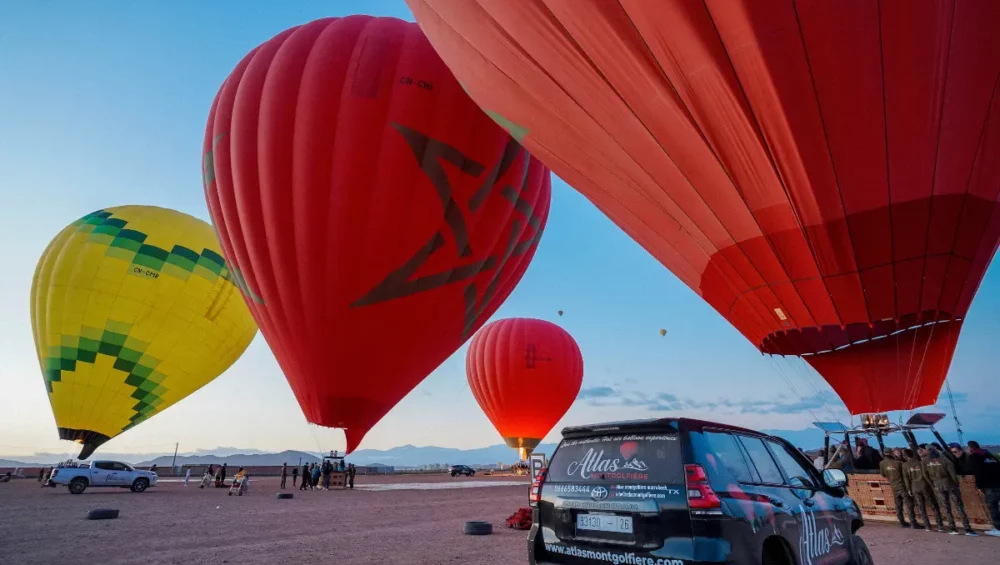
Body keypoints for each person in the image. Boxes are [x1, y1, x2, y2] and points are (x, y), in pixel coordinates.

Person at [922, 445, 975, 535]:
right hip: (950, 484)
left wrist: (933, 484)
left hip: (937, 485)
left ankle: (952, 528)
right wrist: (956, 483)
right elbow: (952, 472)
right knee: (959, 506)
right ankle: (967, 528)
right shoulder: (944, 459)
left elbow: (925, 475)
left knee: (946, 508)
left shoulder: (925, 461)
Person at [903, 448, 943, 531]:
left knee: (921, 507)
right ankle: (940, 525)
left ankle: (927, 526)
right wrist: (932, 485)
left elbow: (906, 478)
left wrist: (909, 489)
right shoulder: (921, 463)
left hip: (914, 487)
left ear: (905, 456)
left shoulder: (905, 465)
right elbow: (926, 475)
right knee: (933, 505)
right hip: (925, 486)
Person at [966, 440, 1000, 537]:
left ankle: (998, 528)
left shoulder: (975, 457)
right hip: (998, 483)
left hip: (989, 485)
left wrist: (979, 486)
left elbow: (978, 472)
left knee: (993, 507)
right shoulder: (990, 455)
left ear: (970, 448)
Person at [880, 449, 915, 528]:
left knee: (898, 505)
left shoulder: (882, 463)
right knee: (909, 504)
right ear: (891, 453)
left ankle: (902, 522)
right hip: (902, 486)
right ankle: (913, 522)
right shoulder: (898, 463)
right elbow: (905, 474)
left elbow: (883, 474)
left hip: (894, 486)